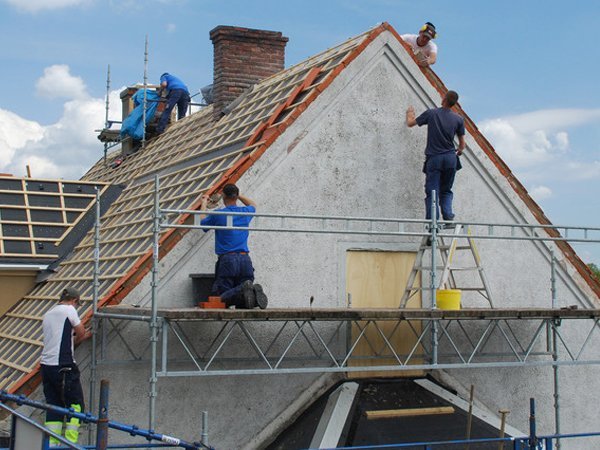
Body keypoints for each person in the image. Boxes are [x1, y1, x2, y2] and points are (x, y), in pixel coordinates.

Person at [199, 184, 268, 309]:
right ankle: (251, 292)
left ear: (223, 196)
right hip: (245, 259)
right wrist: (238, 194)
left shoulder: (219, 214)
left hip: (228, 260)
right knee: (244, 301)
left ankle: (245, 287)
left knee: (219, 297)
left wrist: (204, 202)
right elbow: (253, 204)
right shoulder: (245, 212)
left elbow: (203, 224)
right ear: (236, 197)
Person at [40, 287, 91, 446]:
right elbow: (81, 333)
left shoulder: (48, 314)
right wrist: (85, 336)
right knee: (75, 405)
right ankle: (71, 444)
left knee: (54, 405)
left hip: (46, 366)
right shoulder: (69, 310)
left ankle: (52, 445)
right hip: (64, 366)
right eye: (77, 304)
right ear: (74, 301)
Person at [406, 90, 466, 222]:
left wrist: (410, 114)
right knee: (446, 189)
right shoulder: (459, 119)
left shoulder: (431, 113)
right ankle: (448, 215)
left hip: (435, 158)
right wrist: (459, 151)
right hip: (451, 159)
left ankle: (433, 220)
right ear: (454, 104)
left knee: (432, 191)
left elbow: (410, 123)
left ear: (444, 99)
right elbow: (462, 145)